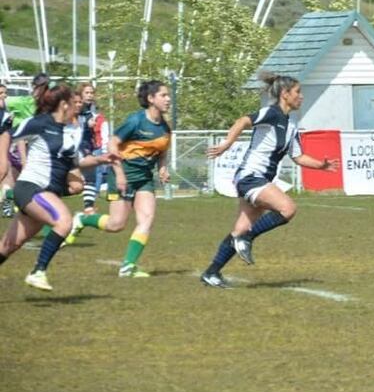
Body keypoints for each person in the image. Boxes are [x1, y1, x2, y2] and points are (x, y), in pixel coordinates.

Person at [199, 74, 339, 289]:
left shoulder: (291, 125)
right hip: (250, 177)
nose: (301, 96)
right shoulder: (271, 113)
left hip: (259, 180)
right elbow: (243, 121)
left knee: (239, 230)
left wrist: (321, 165)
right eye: (297, 92)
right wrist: (227, 143)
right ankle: (246, 239)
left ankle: (211, 272)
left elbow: (298, 157)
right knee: (288, 208)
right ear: (285, 94)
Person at [0, 82, 115, 291]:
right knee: (64, 221)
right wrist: (2, 163)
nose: (77, 105)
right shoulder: (38, 123)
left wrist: (102, 159)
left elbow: (78, 161)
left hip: (46, 193)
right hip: (31, 187)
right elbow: (7, 134)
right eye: (74, 102)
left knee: (8, 246)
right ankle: (38, 271)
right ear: (63, 104)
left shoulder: (73, 130)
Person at [65, 80, 172, 278]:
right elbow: (112, 144)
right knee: (116, 224)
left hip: (144, 179)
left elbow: (162, 152)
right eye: (163, 95)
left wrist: (163, 169)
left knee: (147, 219)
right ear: (150, 99)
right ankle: (82, 219)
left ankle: (128, 266)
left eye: (168, 95)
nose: (168, 99)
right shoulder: (136, 121)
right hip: (122, 175)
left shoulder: (165, 127)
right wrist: (120, 174)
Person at [2, 74, 47, 218]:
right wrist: (23, 158)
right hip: (20, 145)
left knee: (18, 180)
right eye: (40, 87)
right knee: (14, 177)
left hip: (37, 146)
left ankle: (10, 203)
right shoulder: (23, 101)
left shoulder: (49, 105)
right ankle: (8, 208)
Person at [77, 83, 102, 214]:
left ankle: (89, 207)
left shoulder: (91, 109)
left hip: (87, 145)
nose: (90, 95)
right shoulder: (78, 107)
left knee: (89, 177)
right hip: (78, 146)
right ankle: (88, 207)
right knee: (89, 176)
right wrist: (87, 124)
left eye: (91, 93)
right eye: (87, 92)